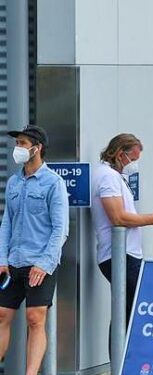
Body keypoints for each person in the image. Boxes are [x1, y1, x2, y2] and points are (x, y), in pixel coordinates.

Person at [0, 126, 68, 374]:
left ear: (36, 148)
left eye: (22, 143)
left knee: (35, 319)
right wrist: (1, 258)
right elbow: (7, 221)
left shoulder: (54, 183)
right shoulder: (14, 182)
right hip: (13, 261)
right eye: (16, 142)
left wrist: (44, 264)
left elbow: (60, 229)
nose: (17, 148)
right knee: (1, 314)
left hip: (40, 262)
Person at [92, 134, 153, 326]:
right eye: (133, 159)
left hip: (126, 254)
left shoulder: (114, 176)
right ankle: (123, 355)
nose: (134, 164)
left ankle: (124, 354)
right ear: (121, 155)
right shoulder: (107, 177)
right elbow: (118, 217)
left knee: (128, 309)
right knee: (130, 311)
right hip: (120, 255)